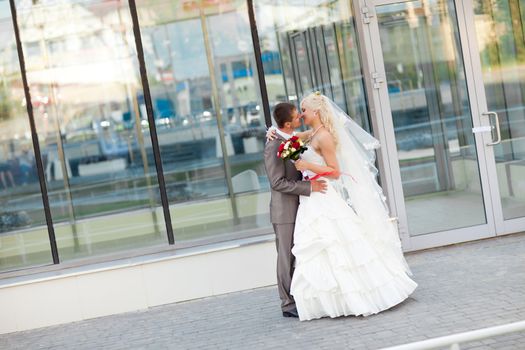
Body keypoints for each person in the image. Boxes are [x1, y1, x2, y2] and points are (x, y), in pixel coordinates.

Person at [268, 93, 417, 321]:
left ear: (316, 112)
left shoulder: (322, 136)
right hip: (304, 200)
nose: (301, 114)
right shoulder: (299, 137)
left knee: (335, 246)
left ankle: (342, 296)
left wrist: (307, 166)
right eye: (299, 113)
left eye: (304, 110)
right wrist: (272, 132)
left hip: (320, 195)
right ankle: (296, 302)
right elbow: (283, 159)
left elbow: (334, 172)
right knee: (302, 252)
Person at [263, 102, 327, 318]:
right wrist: (309, 187)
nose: (300, 115)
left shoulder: (288, 138)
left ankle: (300, 296)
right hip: (284, 212)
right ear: (288, 123)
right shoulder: (273, 146)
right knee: (285, 257)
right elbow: (277, 183)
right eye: (296, 115)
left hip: (299, 208)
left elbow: (305, 135)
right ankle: (287, 304)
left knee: (297, 254)